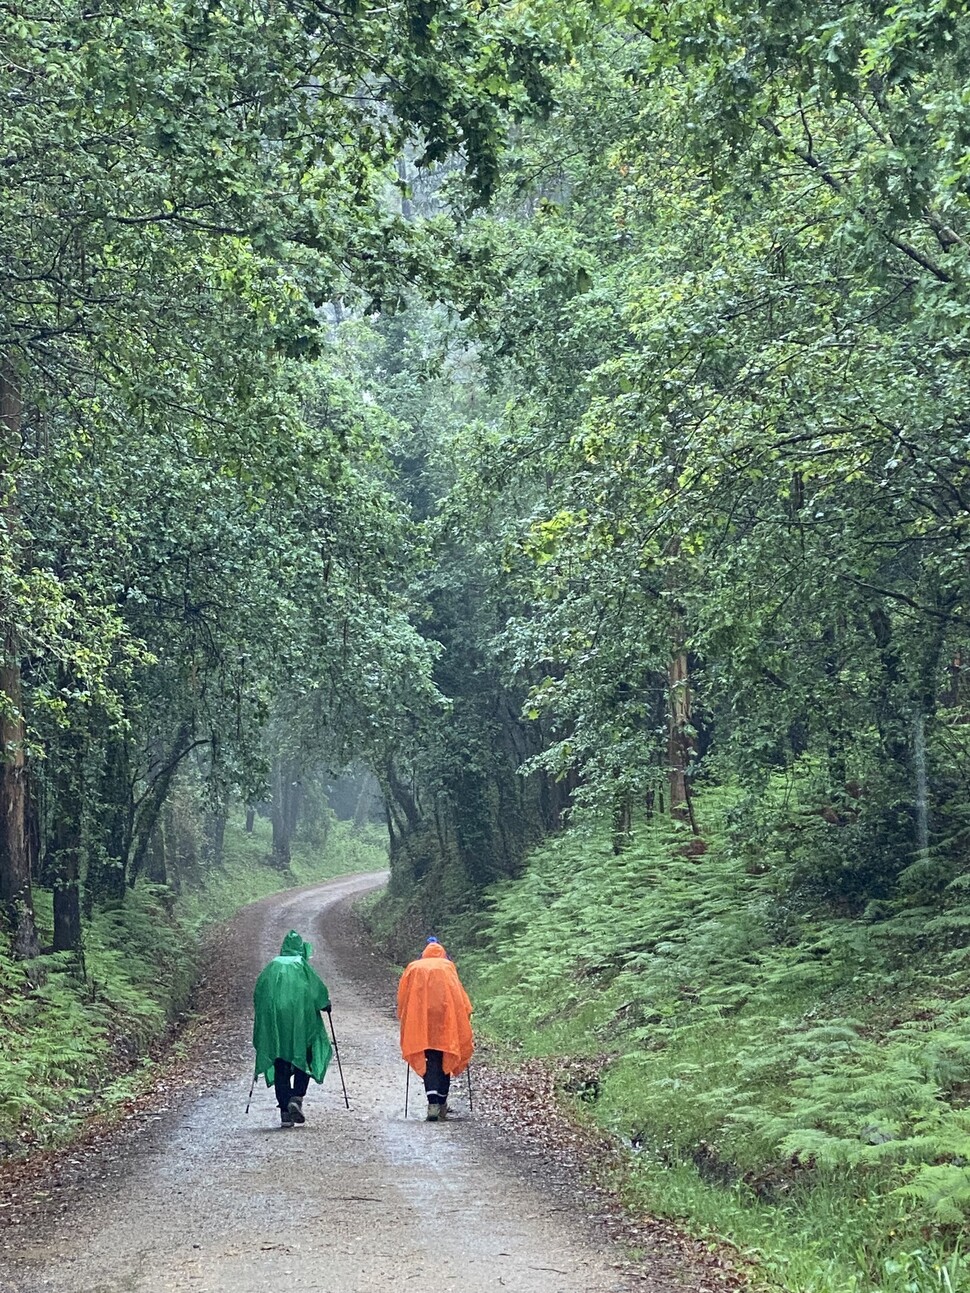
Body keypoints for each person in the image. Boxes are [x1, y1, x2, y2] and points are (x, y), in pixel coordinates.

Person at [253, 930, 333, 1128]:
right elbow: (317, 992)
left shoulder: (271, 967)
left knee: (279, 1060)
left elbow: (259, 994)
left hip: (275, 1024)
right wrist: (325, 1005)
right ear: (301, 949)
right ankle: (296, 1098)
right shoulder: (302, 966)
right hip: (301, 1023)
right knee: (303, 1058)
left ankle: (284, 1112)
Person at [397, 936, 473, 1121]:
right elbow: (460, 998)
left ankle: (432, 1102)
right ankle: (442, 1103)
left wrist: (406, 1018)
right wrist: (464, 1016)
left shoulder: (413, 968)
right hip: (446, 1022)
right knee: (444, 1058)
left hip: (422, 1022)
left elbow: (403, 997)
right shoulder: (448, 968)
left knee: (430, 1059)